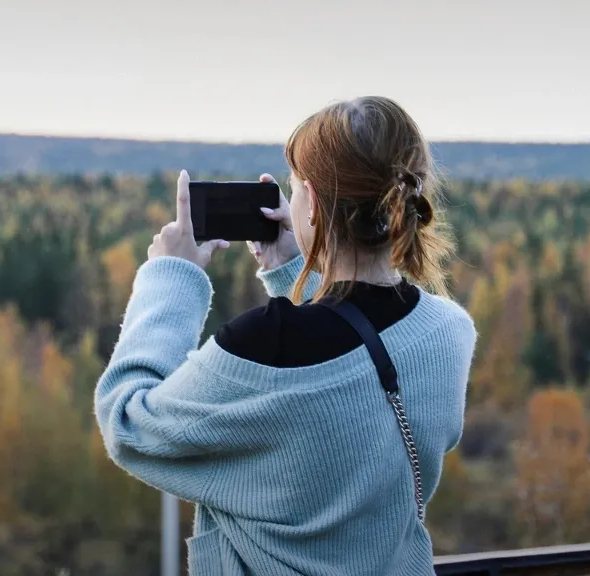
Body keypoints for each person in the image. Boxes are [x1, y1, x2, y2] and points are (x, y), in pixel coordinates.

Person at [94, 96, 477, 575]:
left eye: (296, 189)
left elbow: (128, 424)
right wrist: (293, 268)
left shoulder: (264, 346)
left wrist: (171, 276)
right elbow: (351, 378)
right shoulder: (448, 335)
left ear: (312, 203)